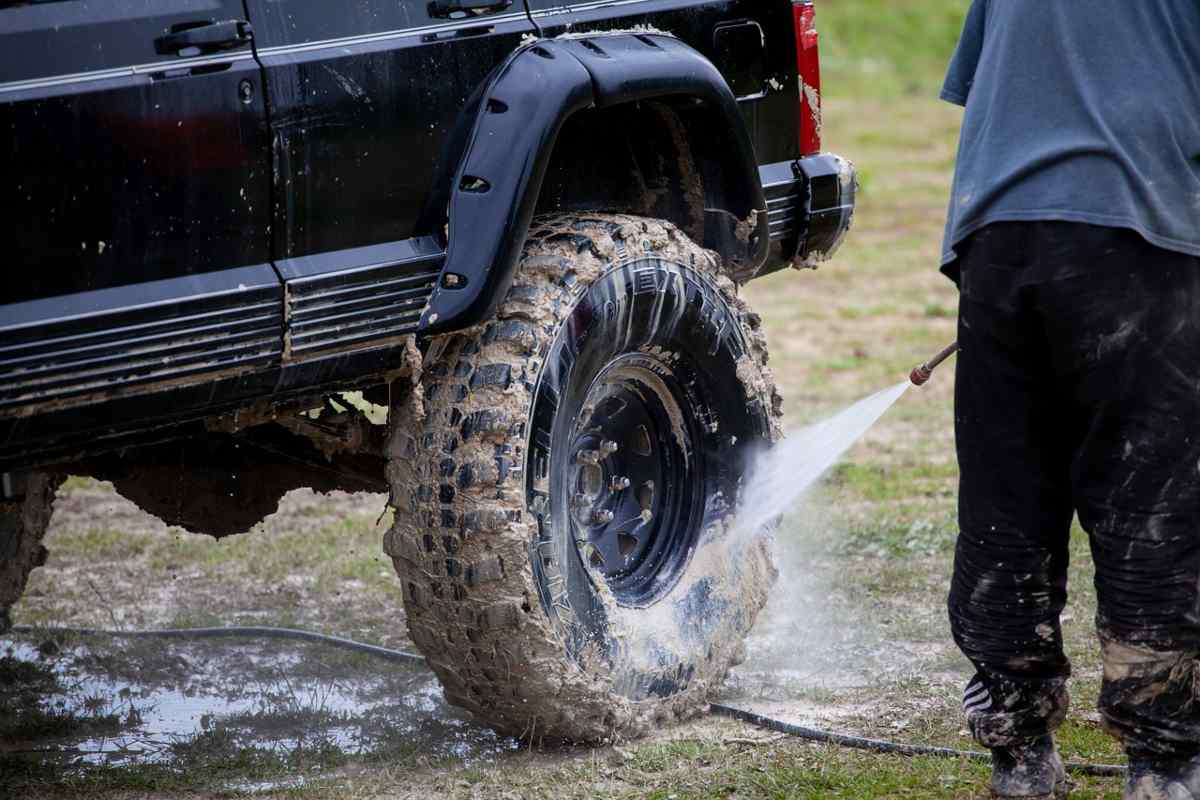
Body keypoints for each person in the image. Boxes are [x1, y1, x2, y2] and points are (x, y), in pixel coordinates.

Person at [939, 2, 1200, 798]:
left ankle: (1019, 756)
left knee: (1006, 506)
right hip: (1139, 226)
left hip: (998, 237)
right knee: (1149, 509)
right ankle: (1163, 767)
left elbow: (995, 84)